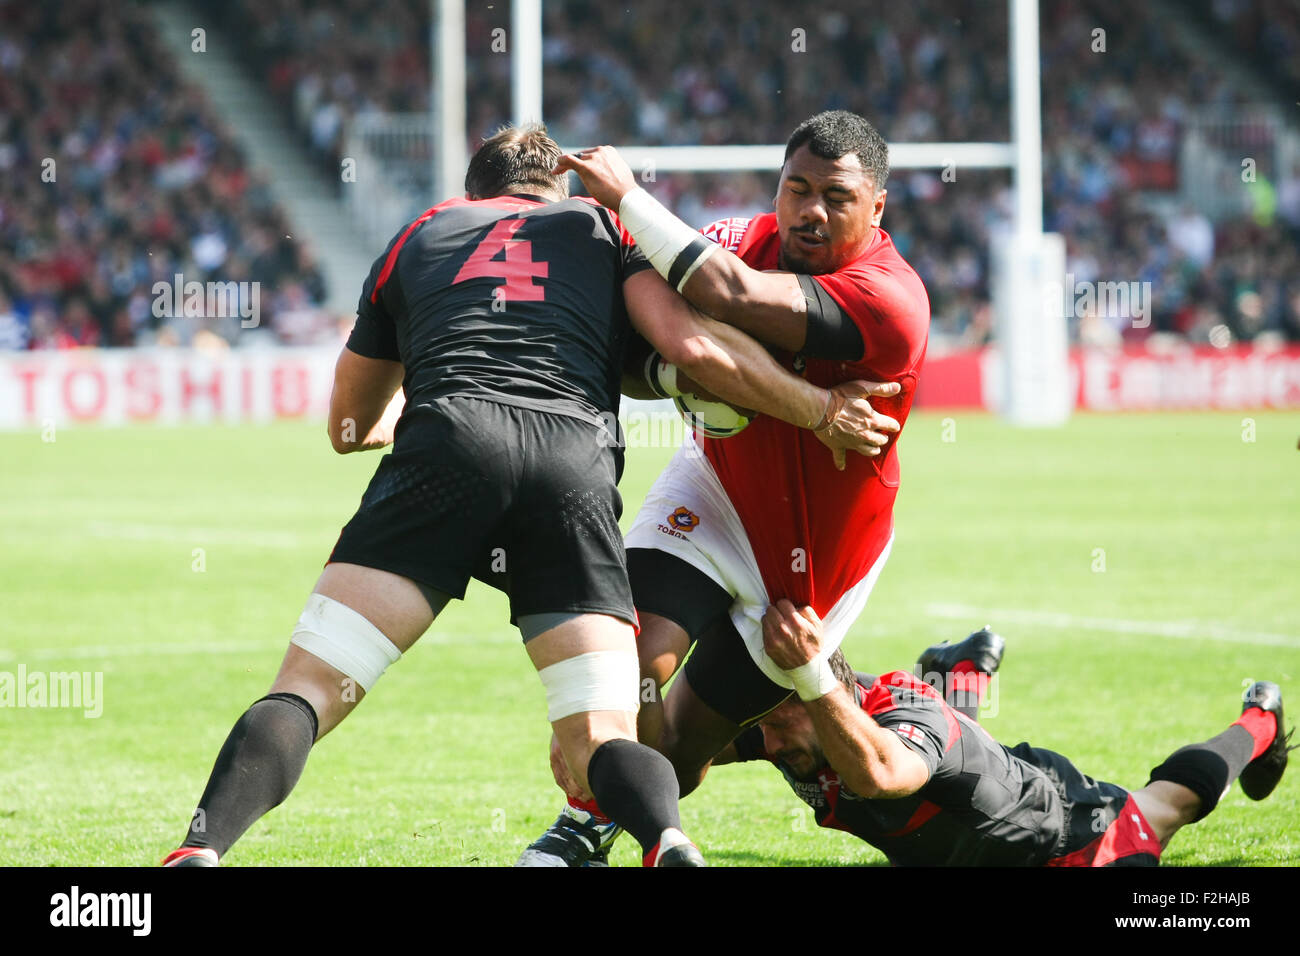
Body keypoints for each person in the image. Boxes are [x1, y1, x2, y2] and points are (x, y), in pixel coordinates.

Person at [161, 124, 892, 868]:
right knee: (604, 733)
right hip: (567, 466)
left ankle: (201, 848)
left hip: (444, 451)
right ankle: (668, 842)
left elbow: (348, 426)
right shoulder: (604, 227)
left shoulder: (422, 230)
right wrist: (818, 408)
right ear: (558, 190)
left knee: (308, 689)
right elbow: (692, 349)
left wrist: (405, 416)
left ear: (476, 192)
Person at [520, 110, 931, 864]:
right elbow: (629, 354)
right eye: (796, 188)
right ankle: (588, 823)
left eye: (836, 198)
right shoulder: (739, 237)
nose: (810, 212)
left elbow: (732, 295)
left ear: (877, 207)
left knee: (678, 748)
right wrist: (685, 371)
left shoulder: (890, 299)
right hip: (716, 489)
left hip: (821, 555)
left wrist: (628, 201)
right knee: (631, 670)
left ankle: (765, 752)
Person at [713, 601, 1294, 866]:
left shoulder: (884, 716)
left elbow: (880, 774)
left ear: (817, 698)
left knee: (1170, 806)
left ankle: (1261, 719)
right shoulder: (784, 722)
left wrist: (812, 677)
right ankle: (964, 668)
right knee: (947, 775)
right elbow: (675, 744)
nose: (763, 741)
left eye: (774, 721)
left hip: (1074, 837)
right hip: (964, 783)